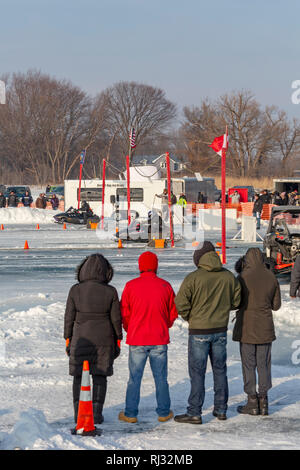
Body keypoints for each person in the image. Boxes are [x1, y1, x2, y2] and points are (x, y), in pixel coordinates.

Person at [174, 241, 241, 424]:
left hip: (198, 331)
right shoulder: (228, 276)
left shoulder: (193, 278)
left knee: (197, 373)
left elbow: (180, 304)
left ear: (199, 258)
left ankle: (195, 412)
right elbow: (237, 301)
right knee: (220, 371)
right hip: (219, 330)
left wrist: (191, 317)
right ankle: (221, 409)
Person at [119, 251, 178, 423]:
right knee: (161, 378)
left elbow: (125, 313)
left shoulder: (131, 286)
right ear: (156, 266)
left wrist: (130, 328)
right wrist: (164, 325)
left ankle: (130, 414)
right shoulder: (165, 286)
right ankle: (164, 412)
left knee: (134, 378)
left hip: (137, 338)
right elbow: (172, 312)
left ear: (140, 266)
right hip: (159, 338)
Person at [64, 253, 122, 424]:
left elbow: (69, 317)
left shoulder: (75, 290)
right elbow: (116, 319)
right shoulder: (110, 291)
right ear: (107, 272)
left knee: (78, 376)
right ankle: (96, 414)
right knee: (100, 376)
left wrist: (67, 337)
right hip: (104, 340)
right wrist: (118, 338)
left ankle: (78, 413)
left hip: (80, 338)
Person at [233, 248, 281, 416]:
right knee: (264, 364)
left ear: (246, 260)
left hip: (246, 327)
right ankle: (264, 400)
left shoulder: (242, 278)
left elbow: (235, 303)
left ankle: (252, 401)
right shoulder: (271, 277)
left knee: (248, 364)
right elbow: (276, 306)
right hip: (265, 328)